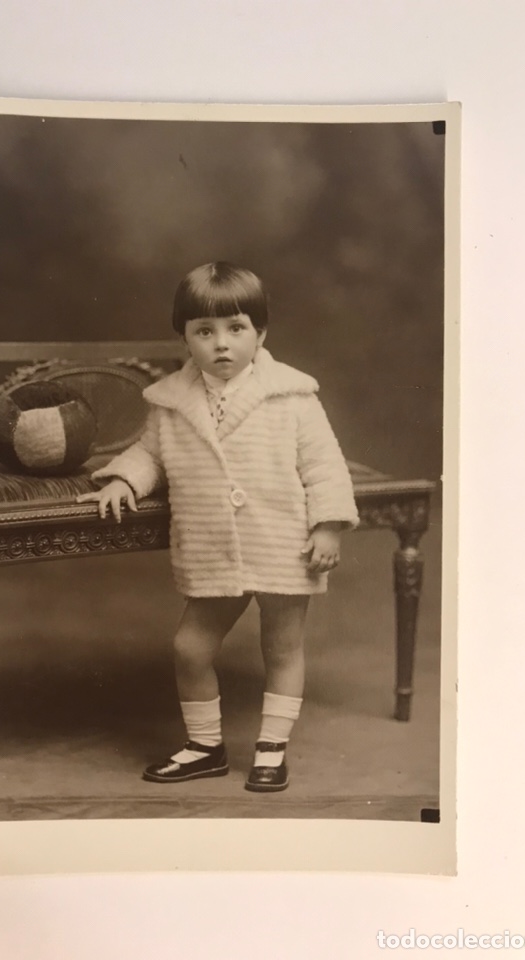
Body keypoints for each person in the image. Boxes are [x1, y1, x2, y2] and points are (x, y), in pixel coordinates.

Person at [77, 262, 358, 792]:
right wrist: (123, 481)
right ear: (184, 336)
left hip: (283, 542)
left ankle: (271, 750)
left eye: (236, 329)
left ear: (261, 333)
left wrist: (328, 526)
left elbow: (324, 465)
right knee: (190, 647)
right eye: (204, 332)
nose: (221, 344)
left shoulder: (292, 397)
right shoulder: (170, 402)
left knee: (282, 647)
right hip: (213, 548)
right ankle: (205, 746)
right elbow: (149, 454)